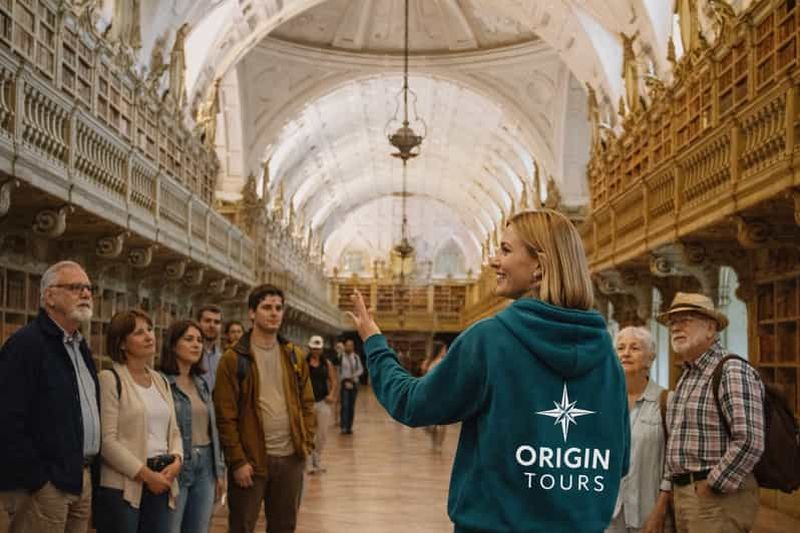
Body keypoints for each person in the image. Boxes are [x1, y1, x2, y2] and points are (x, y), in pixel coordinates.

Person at [348, 209, 630, 532]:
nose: (494, 261)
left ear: (539, 264)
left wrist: (373, 342)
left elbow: (412, 404)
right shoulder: (607, 355)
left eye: (506, 250)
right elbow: (618, 462)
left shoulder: (490, 340)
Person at [0, 261, 100, 533]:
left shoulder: (80, 347)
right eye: (75, 287)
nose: (86, 294)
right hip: (46, 484)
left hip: (80, 477)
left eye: (89, 288)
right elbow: (7, 417)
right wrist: (39, 479)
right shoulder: (26, 344)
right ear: (49, 296)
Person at [657, 293, 765, 533]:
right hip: (686, 495)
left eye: (686, 320)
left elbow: (750, 440)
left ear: (710, 328)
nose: (676, 327)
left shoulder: (731, 370)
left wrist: (712, 485)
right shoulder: (688, 375)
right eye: (673, 322)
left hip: (717, 498)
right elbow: (676, 440)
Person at [213, 284, 316, 533]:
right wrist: (237, 461)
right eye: (266, 307)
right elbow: (225, 415)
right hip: (252, 460)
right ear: (252, 313)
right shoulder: (234, 358)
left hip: (290, 458)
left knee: (284, 525)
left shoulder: (293, 355)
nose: (274, 313)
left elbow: (307, 403)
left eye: (279, 308)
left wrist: (306, 442)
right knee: (242, 525)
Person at [94, 309, 183, 533]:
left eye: (150, 330)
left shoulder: (160, 380)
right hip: (124, 486)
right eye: (138, 333)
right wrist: (146, 475)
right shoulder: (110, 379)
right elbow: (107, 441)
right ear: (122, 343)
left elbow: (173, 431)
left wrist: (177, 461)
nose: (149, 336)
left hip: (163, 479)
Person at [160, 320, 225, 533]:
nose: (196, 345)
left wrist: (219, 471)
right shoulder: (161, 382)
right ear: (172, 345)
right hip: (177, 463)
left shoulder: (201, 383)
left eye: (199, 340)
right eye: (188, 339)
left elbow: (211, 430)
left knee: (199, 528)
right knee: (171, 527)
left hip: (206, 463)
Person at [606, 327, 672, 533]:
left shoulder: (667, 401)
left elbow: (674, 466)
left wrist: (660, 510)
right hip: (606, 514)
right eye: (620, 348)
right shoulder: (600, 402)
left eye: (634, 348)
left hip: (648, 513)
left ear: (650, 358)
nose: (625, 353)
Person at [305, 335, 338, 474]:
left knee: (322, 433)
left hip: (323, 402)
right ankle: (308, 463)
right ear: (310, 348)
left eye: (318, 349)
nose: (316, 351)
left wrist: (331, 394)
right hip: (308, 403)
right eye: (314, 348)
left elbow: (333, 381)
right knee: (309, 434)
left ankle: (317, 460)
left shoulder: (327, 364)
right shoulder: (304, 363)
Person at [421, 341, 448, 450]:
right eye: (445, 349)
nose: (446, 351)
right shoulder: (441, 362)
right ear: (440, 350)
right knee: (442, 422)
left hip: (430, 393)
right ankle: (438, 445)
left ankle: (435, 443)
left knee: (435, 420)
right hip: (440, 393)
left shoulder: (428, 362)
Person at [339, 338, 364, 435]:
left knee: (351, 405)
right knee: (345, 405)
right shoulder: (341, 357)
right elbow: (338, 370)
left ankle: (349, 426)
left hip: (354, 383)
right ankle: (343, 426)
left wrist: (354, 376)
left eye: (351, 345)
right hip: (345, 383)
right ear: (345, 346)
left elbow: (361, 369)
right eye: (347, 345)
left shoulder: (356, 358)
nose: (349, 347)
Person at [197, 305, 223, 391]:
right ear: (198, 323)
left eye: (217, 322)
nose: (212, 325)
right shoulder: (191, 354)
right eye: (207, 321)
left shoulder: (222, 358)